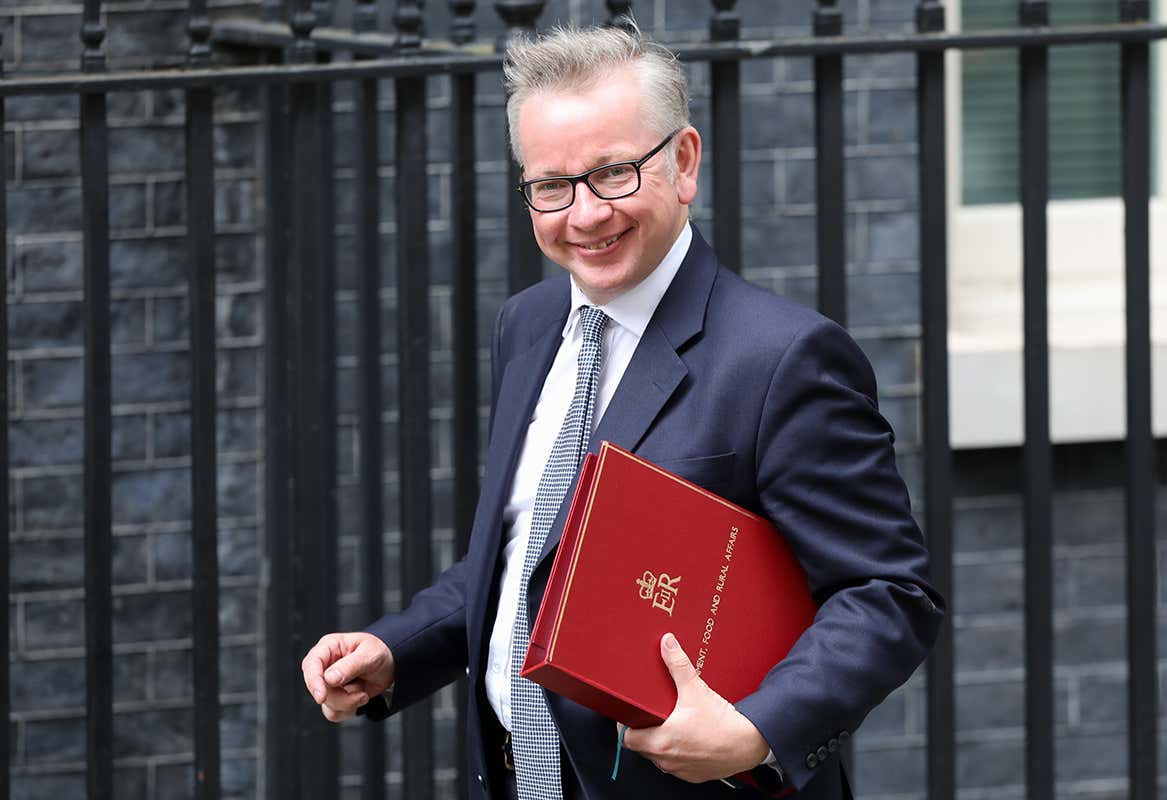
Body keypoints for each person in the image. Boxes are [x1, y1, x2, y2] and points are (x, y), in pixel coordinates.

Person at [302, 21, 942, 800]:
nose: (584, 215)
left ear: (683, 161)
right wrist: (397, 647)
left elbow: (888, 594)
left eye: (612, 173)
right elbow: (525, 553)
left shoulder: (784, 359)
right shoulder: (529, 326)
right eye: (552, 185)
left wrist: (755, 731)